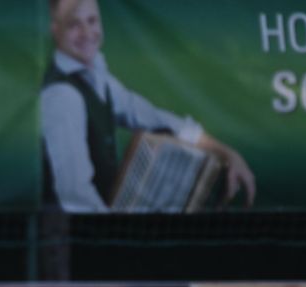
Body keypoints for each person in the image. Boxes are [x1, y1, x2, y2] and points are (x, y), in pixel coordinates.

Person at [41, 0, 256, 212]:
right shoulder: (63, 95)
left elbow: (156, 119)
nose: (87, 33)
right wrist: (114, 237)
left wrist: (228, 153)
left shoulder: (98, 79)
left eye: (92, 21)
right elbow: (76, 197)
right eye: (74, 25)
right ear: (55, 30)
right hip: (70, 238)